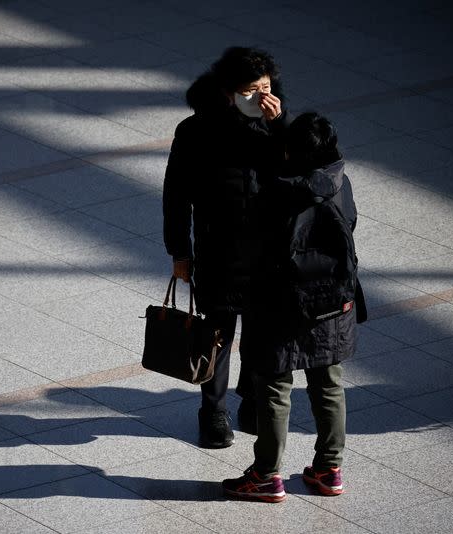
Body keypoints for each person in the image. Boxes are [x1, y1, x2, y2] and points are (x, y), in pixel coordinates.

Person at [222, 111, 366, 502]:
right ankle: (328, 470)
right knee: (329, 384)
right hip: (333, 302)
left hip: (280, 305)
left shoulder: (278, 194)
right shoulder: (340, 183)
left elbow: (253, 244)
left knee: (274, 387)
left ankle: (267, 474)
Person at [162, 46, 289, 448]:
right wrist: (180, 253)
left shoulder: (274, 126)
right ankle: (212, 411)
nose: (261, 98)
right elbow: (176, 196)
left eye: (266, 88)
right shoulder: (195, 132)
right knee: (216, 333)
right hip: (220, 249)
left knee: (260, 331)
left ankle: (251, 400)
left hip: (269, 250)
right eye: (252, 90)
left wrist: (278, 128)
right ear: (227, 92)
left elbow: (296, 175)